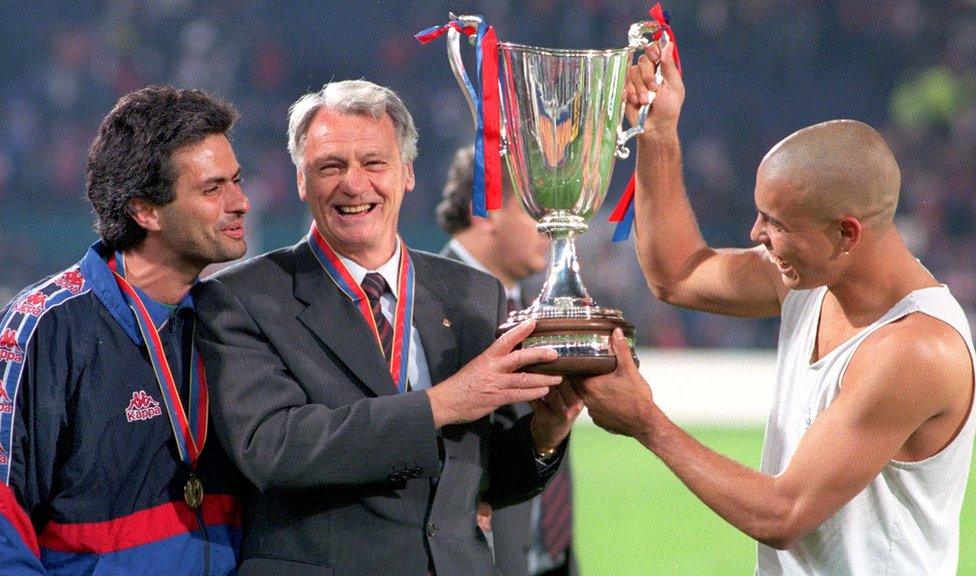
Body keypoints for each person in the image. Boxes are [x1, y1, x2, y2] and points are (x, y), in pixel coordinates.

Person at [579, 41, 976, 575]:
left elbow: (785, 515)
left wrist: (648, 423)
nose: (755, 235)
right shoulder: (811, 280)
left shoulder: (918, 349)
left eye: (776, 223)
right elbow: (678, 275)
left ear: (846, 233)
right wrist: (658, 132)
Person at [194, 79, 583, 576]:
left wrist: (545, 433)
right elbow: (273, 449)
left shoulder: (471, 292)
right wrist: (442, 404)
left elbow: (483, 480)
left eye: (373, 163)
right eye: (330, 166)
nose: (354, 184)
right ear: (300, 181)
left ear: (407, 173)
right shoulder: (241, 297)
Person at [0, 85, 250, 574]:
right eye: (213, 188)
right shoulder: (41, 329)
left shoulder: (234, 321)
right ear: (145, 210)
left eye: (237, 180)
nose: (240, 202)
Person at [436, 146, 579, 576]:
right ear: (485, 211)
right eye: (536, 212)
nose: (550, 230)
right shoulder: (423, 305)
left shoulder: (531, 304)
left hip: (543, 556)